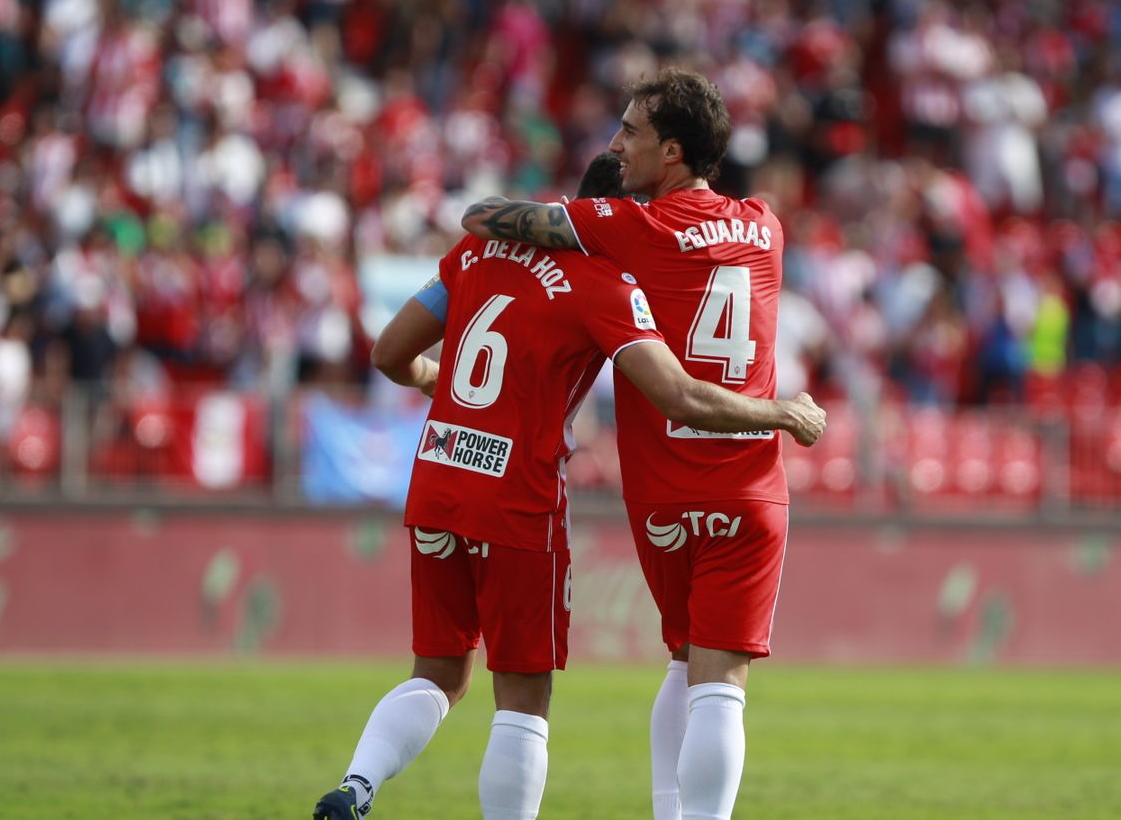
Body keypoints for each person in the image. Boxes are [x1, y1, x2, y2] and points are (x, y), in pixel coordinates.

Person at [313, 152, 826, 820]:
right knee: (522, 702)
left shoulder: (478, 251)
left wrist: (436, 383)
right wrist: (782, 413)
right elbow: (674, 394)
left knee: (439, 671)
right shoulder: (605, 281)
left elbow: (388, 354)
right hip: (516, 495)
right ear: (620, 215)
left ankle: (357, 785)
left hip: (439, 475)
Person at [462, 68, 788, 820]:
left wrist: (578, 210)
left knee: (684, 662)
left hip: (663, 489)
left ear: (671, 152)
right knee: (720, 684)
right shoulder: (766, 224)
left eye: (631, 132)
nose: (616, 144)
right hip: (747, 482)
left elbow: (484, 217)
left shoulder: (630, 227)